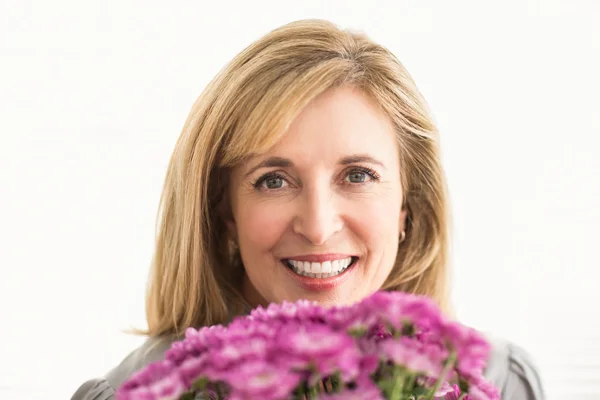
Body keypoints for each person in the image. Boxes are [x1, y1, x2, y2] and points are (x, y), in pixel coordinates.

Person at [71, 19, 544, 400]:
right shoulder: (138, 394)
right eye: (274, 181)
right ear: (225, 213)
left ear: (407, 208)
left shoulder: (500, 382)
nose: (318, 227)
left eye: (358, 175)